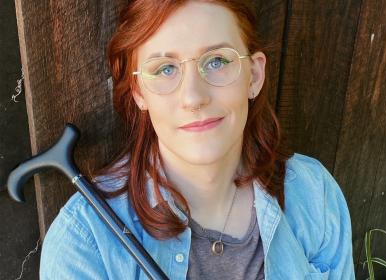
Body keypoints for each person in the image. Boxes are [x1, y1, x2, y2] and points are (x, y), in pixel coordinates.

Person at [40, 0, 355, 279]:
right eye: (165, 69)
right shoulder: (85, 242)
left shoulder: (314, 196)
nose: (193, 97)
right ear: (139, 93)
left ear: (254, 76)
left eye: (216, 61)